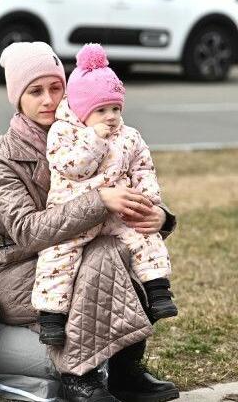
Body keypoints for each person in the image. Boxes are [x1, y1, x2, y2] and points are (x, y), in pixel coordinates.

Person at [0, 41, 179, 402]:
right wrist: (99, 200)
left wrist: (159, 216)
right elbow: (25, 231)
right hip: (22, 266)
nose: (48, 100)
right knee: (103, 255)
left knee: (123, 248)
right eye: (35, 91)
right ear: (17, 98)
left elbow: (138, 176)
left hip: (92, 244)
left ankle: (123, 369)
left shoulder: (100, 128)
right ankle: (81, 378)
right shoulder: (1, 155)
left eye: (56, 88)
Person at [33, 43, 178, 346]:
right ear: (83, 110)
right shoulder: (65, 132)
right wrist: (92, 140)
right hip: (75, 211)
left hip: (117, 212)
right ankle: (51, 316)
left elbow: (143, 167)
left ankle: (158, 288)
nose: (110, 117)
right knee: (58, 257)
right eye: (101, 110)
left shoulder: (128, 135)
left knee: (143, 235)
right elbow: (72, 167)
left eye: (115, 108)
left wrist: (150, 201)